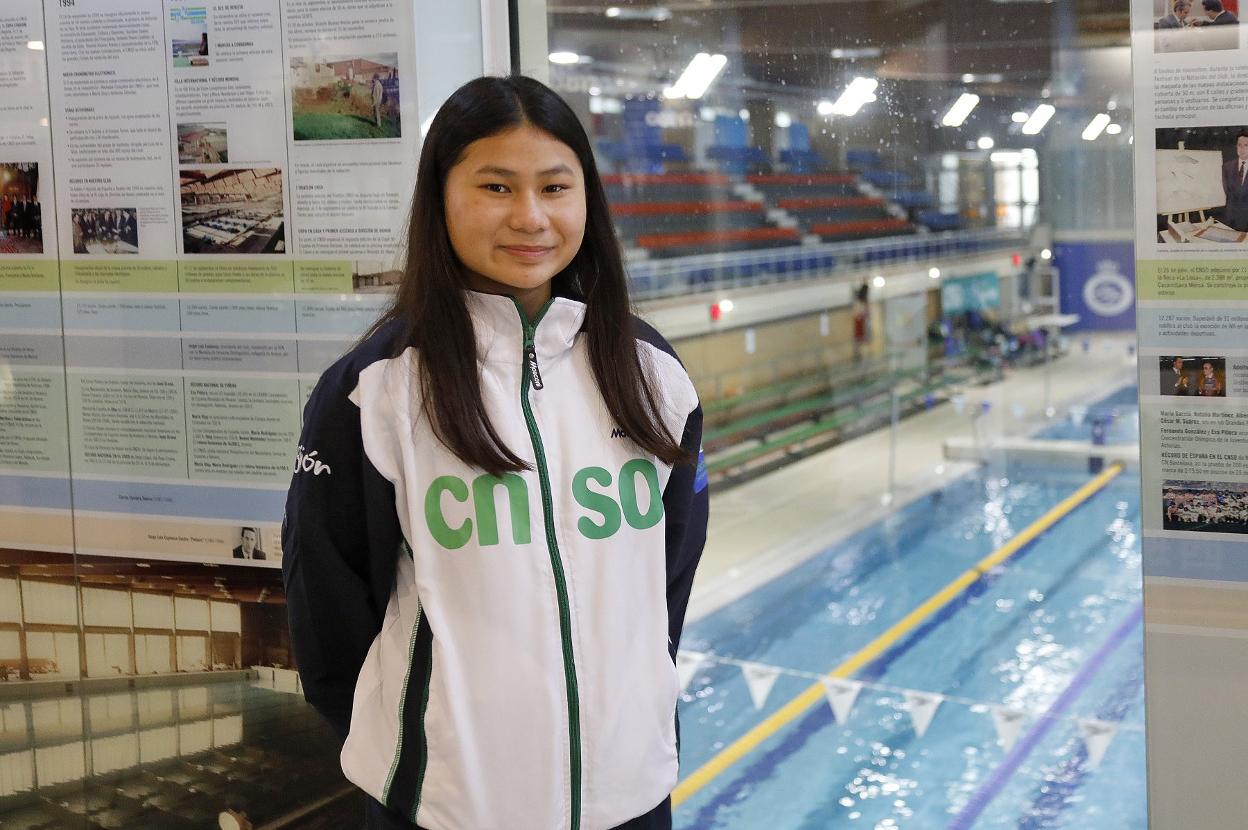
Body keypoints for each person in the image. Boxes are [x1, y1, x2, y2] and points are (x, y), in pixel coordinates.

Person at [281, 75, 707, 830]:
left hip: (629, 795)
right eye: (496, 187)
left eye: (554, 186)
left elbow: (667, 579)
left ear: (587, 200)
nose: (531, 217)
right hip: (448, 806)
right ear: (441, 195)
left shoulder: (651, 376)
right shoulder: (375, 390)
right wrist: (425, 748)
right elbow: (329, 610)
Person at [1222, 131, 1248, 231]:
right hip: (1230, 220)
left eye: (1246, 145)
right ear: (1236, 146)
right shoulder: (1227, 167)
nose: (1242, 149)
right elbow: (1226, 192)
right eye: (1239, 145)